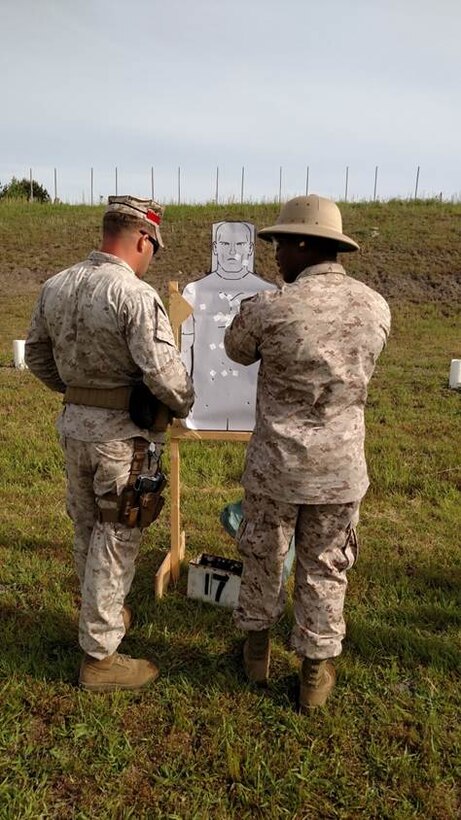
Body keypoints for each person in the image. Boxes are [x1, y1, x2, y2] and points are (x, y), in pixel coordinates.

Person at [224, 194, 391, 711]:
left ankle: (256, 655)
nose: (273, 254)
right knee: (325, 566)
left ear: (304, 244)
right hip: (340, 471)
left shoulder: (271, 308)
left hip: (277, 467)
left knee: (263, 557)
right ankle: (314, 677)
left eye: (279, 244)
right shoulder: (375, 306)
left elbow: (235, 348)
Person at [25, 196, 194, 692]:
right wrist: (185, 403)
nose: (150, 257)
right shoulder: (134, 295)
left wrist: (77, 394)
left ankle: (106, 614)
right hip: (121, 436)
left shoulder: (56, 285)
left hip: (75, 426)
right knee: (116, 537)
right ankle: (100, 657)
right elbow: (164, 373)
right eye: (153, 249)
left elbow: (36, 354)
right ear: (143, 238)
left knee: (86, 529)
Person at [181, 221, 276, 430]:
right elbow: (184, 350)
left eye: (240, 245)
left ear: (250, 248)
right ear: (215, 248)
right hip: (205, 399)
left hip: (250, 402)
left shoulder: (268, 293)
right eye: (225, 244)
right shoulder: (194, 291)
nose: (232, 252)